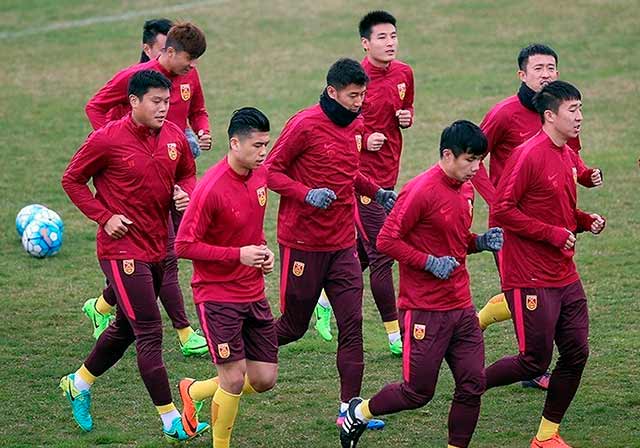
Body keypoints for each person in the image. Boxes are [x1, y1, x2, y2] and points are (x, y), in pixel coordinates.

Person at [59, 70, 209, 441]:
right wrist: (104, 216)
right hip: (120, 249)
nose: (163, 108)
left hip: (159, 245)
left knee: (125, 328)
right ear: (134, 102)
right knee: (148, 331)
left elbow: (188, 174)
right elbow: (72, 179)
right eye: (156, 102)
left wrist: (184, 191)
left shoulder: (174, 137)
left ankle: (78, 383)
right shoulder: (106, 140)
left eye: (167, 102)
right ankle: (172, 419)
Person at [340, 120, 502, 448]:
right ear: (447, 155)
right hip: (424, 310)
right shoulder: (420, 190)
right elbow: (386, 240)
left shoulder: (467, 191)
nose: (475, 168)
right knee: (418, 392)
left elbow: (454, 240)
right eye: (469, 159)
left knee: (472, 385)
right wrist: (428, 262)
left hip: (461, 307)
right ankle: (359, 413)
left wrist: (481, 242)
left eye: (479, 160)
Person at [266, 58, 396, 429]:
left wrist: (377, 191)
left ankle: (349, 410)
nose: (360, 102)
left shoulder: (355, 124)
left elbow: (348, 170)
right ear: (332, 92)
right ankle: (238, 355)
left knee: (352, 325)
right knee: (293, 326)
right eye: (354, 96)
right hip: (302, 242)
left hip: (342, 245)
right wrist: (306, 194)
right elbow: (271, 171)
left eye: (363, 95)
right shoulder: (304, 124)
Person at [472, 44, 603, 389]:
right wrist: (493, 197)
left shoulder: (562, 114)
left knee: (540, 297)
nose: (546, 74)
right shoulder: (503, 114)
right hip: (510, 221)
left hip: (551, 223)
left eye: (551, 68)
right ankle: (532, 366)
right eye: (539, 68)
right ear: (523, 75)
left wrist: (587, 179)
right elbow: (474, 157)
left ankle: (486, 323)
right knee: (527, 293)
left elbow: (572, 161)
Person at [483, 81, 606, 448]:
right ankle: (472, 380)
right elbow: (503, 210)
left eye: (581, 108)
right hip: (531, 273)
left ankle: (546, 436)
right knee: (534, 361)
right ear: (550, 116)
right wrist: (552, 234)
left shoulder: (567, 153)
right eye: (572, 110)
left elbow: (561, 209)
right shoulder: (527, 155)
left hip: (564, 272)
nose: (580, 116)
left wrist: (584, 220)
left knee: (576, 352)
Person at [81, 22, 211, 357]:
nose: (192, 66)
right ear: (169, 52)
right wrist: (113, 145)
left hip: (169, 171)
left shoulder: (190, 77)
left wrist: (200, 132)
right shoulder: (135, 77)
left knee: (161, 258)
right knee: (164, 257)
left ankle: (103, 305)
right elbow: (95, 106)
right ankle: (184, 331)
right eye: (188, 59)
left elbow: (197, 111)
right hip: (135, 182)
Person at [174, 108, 277, 448]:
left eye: (266, 144)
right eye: (257, 146)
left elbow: (251, 231)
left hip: (253, 291)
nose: (263, 153)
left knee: (263, 379)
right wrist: (238, 255)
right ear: (234, 143)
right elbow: (183, 245)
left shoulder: (260, 176)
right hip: (217, 296)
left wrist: (262, 253)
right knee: (232, 379)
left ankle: (195, 390)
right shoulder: (211, 188)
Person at [313, 10, 414, 357]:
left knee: (364, 252)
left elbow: (407, 108)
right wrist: (365, 137)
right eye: (382, 38)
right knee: (384, 251)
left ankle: (322, 297)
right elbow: (337, 124)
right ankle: (395, 334)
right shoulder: (354, 80)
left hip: (389, 175)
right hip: (359, 179)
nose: (390, 43)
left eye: (393, 36)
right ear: (365, 43)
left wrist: (407, 117)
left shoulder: (405, 74)